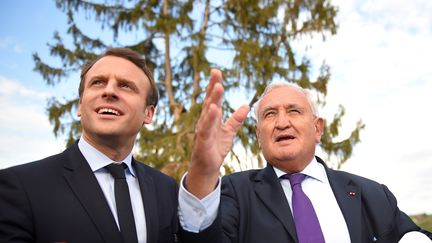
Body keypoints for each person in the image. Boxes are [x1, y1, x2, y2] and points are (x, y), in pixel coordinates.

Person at [184, 69, 432, 242]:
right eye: (270, 114)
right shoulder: (234, 193)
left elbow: (413, 235)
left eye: (293, 111)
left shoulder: (372, 193)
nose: (282, 122)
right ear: (259, 136)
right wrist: (202, 173)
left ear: (318, 128)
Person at [0, 48, 216, 243]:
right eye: (98, 82)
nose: (109, 91)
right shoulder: (20, 186)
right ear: (80, 105)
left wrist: (204, 174)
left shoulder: (165, 188)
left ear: (148, 113)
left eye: (125, 86)